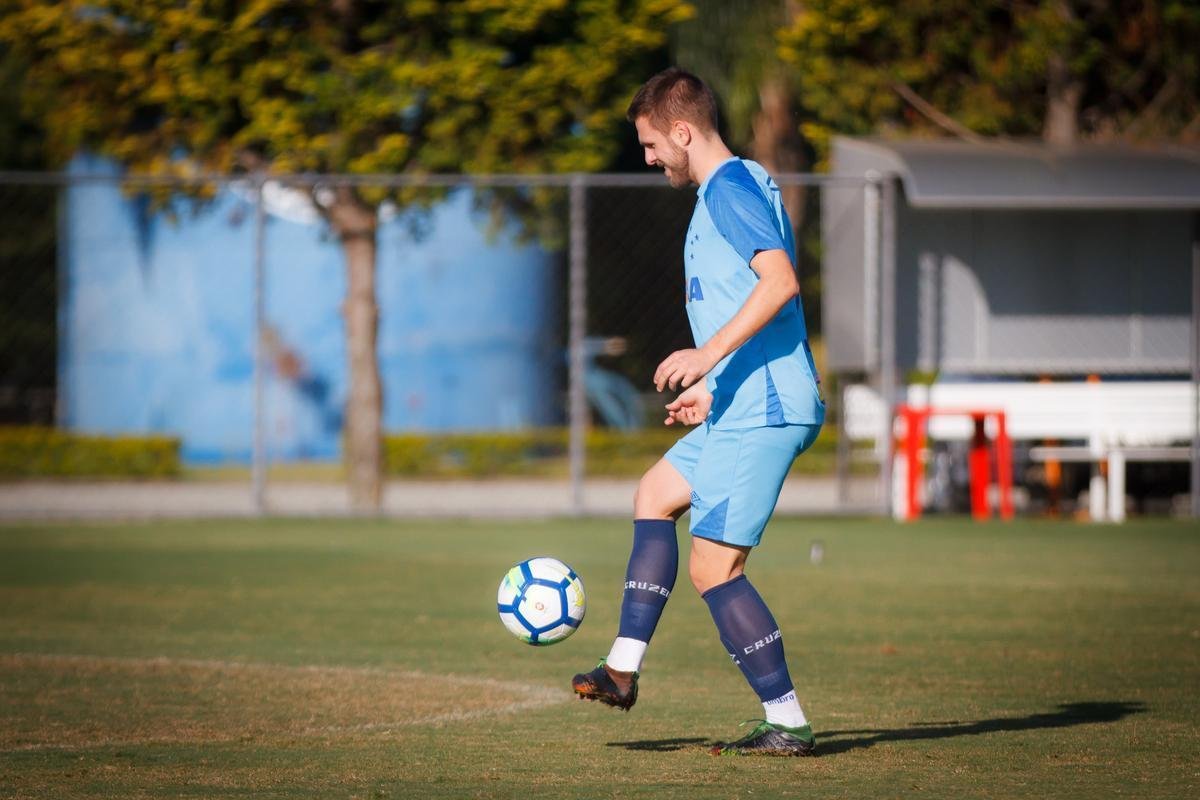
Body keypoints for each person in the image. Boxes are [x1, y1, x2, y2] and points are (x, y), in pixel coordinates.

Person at [571, 68, 825, 757]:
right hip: (742, 399)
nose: (649, 158)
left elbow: (780, 283)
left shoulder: (730, 188)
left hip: (767, 407)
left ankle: (787, 722)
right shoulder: (733, 186)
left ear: (682, 132)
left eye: (652, 144)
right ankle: (621, 670)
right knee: (654, 494)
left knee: (715, 569)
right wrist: (714, 389)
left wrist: (707, 355)